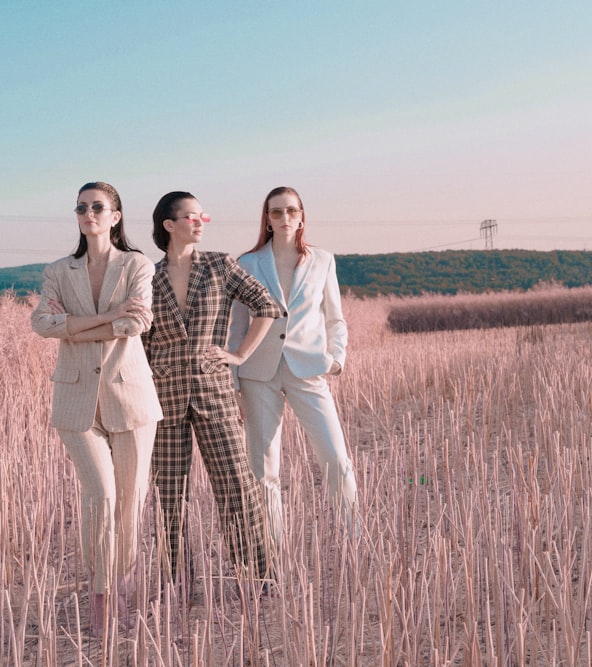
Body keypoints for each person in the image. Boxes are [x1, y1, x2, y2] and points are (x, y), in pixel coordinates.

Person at [30, 181, 162, 633]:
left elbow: (138, 320)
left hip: (131, 397)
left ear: (116, 216)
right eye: (81, 207)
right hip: (75, 398)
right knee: (100, 496)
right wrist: (106, 318)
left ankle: (121, 584)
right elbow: (43, 324)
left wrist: (74, 328)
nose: (89, 213)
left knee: (130, 501)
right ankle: (101, 597)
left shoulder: (137, 264)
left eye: (98, 207)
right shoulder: (58, 270)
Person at [143, 191, 281, 589]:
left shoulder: (221, 265)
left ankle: (258, 577)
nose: (200, 221)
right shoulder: (147, 276)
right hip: (163, 396)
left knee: (237, 484)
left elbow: (267, 306)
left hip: (213, 389)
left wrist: (239, 354)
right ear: (170, 225)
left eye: (202, 215)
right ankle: (178, 586)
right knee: (169, 496)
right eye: (191, 217)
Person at [229, 186, 358, 551]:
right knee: (263, 470)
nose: (284, 218)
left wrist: (336, 359)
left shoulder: (323, 260)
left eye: (290, 211)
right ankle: (270, 553)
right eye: (275, 213)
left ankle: (355, 539)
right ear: (266, 220)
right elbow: (237, 328)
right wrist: (235, 381)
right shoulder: (248, 263)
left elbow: (336, 319)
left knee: (335, 457)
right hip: (258, 376)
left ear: (301, 216)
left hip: (309, 371)